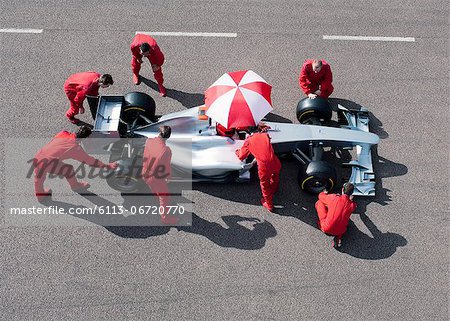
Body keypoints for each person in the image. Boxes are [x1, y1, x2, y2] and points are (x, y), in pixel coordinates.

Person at [33, 126, 118, 202]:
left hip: (39, 156)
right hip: (49, 163)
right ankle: (75, 186)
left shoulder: (63, 133)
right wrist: (107, 166)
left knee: (39, 178)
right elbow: (90, 161)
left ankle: (40, 196)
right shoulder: (74, 148)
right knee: (68, 170)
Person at [235, 124, 281, 212]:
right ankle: (274, 188)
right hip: (275, 162)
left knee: (264, 185)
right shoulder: (265, 135)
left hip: (264, 167)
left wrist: (237, 152)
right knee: (275, 176)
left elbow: (241, 156)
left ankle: (269, 204)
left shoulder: (249, 140)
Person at [141, 126, 178, 224]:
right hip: (156, 177)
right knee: (164, 197)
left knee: (155, 190)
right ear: (168, 137)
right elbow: (166, 166)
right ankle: (165, 218)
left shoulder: (149, 141)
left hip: (145, 172)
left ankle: (157, 198)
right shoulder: (166, 150)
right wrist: (168, 177)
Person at [315, 182, 357, 248]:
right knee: (342, 220)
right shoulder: (352, 205)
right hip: (341, 231)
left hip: (327, 228)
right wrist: (351, 201)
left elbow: (320, 197)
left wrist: (324, 193)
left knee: (319, 202)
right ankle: (338, 238)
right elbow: (353, 205)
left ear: (342, 189)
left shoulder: (334, 197)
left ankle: (320, 225)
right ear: (351, 194)